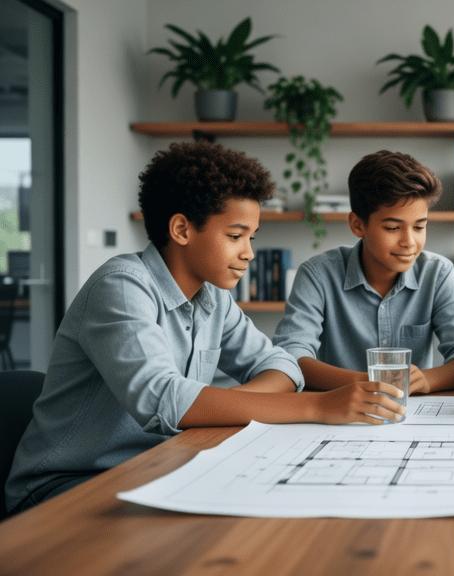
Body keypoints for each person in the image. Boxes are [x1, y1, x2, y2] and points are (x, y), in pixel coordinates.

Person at [5, 141, 406, 514]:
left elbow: (283, 365)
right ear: (181, 230)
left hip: (159, 464)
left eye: (252, 236)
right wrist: (318, 406)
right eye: (235, 236)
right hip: (66, 485)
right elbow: (165, 401)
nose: (248, 253)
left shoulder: (212, 299)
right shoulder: (122, 287)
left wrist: (215, 408)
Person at [274, 150, 454, 394]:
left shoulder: (437, 273)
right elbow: (291, 356)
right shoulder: (318, 274)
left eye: (419, 227)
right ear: (357, 225)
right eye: (393, 227)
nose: (409, 241)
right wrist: (367, 382)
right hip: (336, 415)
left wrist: (428, 380)